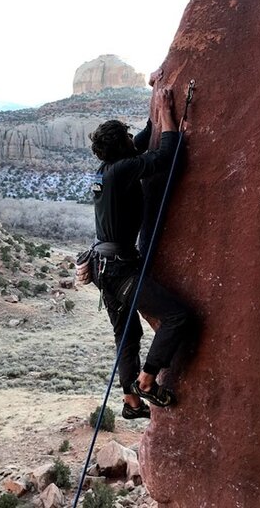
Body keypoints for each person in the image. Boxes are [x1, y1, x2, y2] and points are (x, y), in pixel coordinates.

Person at [87, 74, 192, 420]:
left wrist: (153, 109)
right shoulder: (123, 170)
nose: (135, 139)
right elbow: (166, 153)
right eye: (128, 138)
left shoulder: (105, 171)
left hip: (104, 270)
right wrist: (166, 113)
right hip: (119, 269)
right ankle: (147, 381)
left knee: (127, 333)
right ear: (122, 147)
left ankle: (131, 403)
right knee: (178, 316)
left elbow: (142, 141)